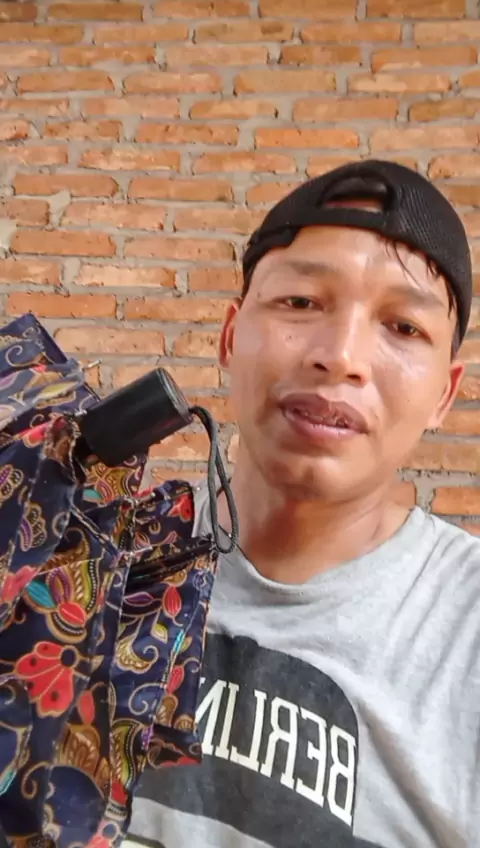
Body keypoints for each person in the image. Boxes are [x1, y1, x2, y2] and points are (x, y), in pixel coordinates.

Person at [127, 160, 480, 848]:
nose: (340, 355)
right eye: (300, 302)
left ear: (444, 392)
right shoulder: (84, 559)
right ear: (230, 338)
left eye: (404, 327)